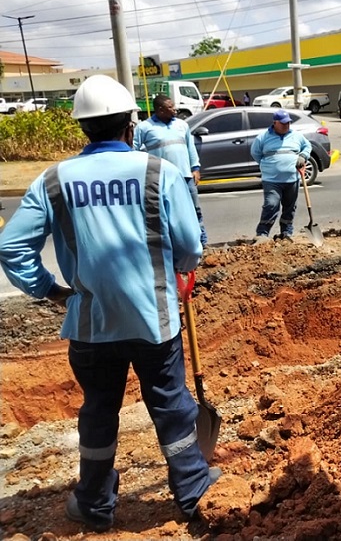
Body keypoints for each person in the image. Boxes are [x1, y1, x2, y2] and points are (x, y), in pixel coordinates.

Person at [0, 75, 219, 533]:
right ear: (130, 126)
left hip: (90, 325)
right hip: (153, 321)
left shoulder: (55, 179)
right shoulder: (157, 171)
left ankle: (95, 504)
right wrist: (178, 269)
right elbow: (188, 246)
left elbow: (11, 246)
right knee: (172, 407)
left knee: (99, 411)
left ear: (83, 128)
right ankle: (193, 493)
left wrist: (49, 289)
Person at [134, 94, 208, 246]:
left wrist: (195, 168)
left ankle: (202, 243)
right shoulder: (144, 128)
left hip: (185, 176)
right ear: (160, 110)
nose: (175, 109)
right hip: (160, 179)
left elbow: (190, 147)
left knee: (195, 210)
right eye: (170, 107)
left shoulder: (182, 125)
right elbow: (133, 151)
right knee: (165, 212)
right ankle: (172, 244)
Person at [251, 110, 311, 241]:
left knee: (290, 207)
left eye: (288, 123)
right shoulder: (263, 137)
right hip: (271, 180)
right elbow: (256, 153)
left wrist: (303, 156)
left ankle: (286, 233)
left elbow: (307, 146)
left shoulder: (296, 136)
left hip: (292, 179)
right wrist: (269, 165)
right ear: (275, 123)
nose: (286, 125)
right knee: (271, 204)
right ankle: (262, 233)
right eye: (283, 123)